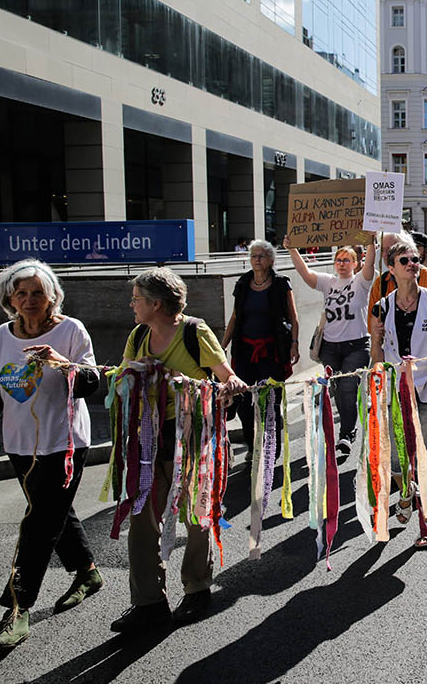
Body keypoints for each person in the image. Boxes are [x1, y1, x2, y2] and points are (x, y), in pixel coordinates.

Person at [114, 267, 248, 632]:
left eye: (137, 299)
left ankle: (197, 587)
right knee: (142, 517)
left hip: (191, 432)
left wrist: (227, 384)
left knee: (195, 512)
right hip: (148, 436)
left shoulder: (194, 331)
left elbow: (227, 376)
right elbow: (121, 380)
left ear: (156, 304)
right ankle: (149, 602)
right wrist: (136, 371)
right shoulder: (139, 334)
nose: (132, 304)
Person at [0, 261, 103, 648]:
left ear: (53, 296)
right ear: (9, 299)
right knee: (55, 513)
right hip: (19, 445)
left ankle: (17, 609)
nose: (29, 300)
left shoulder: (70, 330)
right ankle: (87, 571)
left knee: (38, 523)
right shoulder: (2, 336)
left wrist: (59, 362)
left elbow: (91, 383)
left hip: (65, 444)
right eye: (21, 293)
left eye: (37, 292)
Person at [370, 236, 427, 550]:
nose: (412, 265)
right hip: (395, 390)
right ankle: (406, 492)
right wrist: (377, 340)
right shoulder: (382, 306)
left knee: (425, 454)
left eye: (415, 260)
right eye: (404, 261)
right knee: (396, 460)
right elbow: (376, 357)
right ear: (391, 269)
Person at [286, 236, 376, 457]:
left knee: (347, 387)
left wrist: (372, 244)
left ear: (356, 263)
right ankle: (347, 425)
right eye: (339, 260)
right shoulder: (328, 282)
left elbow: (371, 265)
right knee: (336, 390)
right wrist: (293, 250)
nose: (342, 263)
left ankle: (347, 434)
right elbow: (306, 275)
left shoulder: (361, 282)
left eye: (347, 260)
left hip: (357, 346)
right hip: (330, 347)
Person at [221, 240, 299, 462]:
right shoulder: (243, 283)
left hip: (272, 352)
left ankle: (272, 449)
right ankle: (252, 445)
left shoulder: (281, 284)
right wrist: (222, 346)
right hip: (245, 351)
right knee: (244, 402)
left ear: (271, 260)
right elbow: (235, 318)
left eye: (261, 256)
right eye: (253, 255)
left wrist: (294, 343)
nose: (257, 259)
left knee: (270, 402)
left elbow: (293, 317)